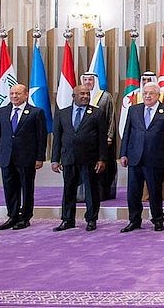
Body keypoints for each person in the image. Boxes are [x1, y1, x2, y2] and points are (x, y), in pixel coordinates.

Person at [50, 85, 109, 231]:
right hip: (68, 158)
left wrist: (102, 159)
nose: (85, 96)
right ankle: (67, 220)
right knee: (69, 190)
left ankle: (91, 219)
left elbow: (102, 139)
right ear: (73, 96)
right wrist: (55, 159)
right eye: (82, 94)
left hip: (90, 158)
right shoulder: (62, 114)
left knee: (91, 191)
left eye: (87, 94)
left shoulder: (98, 113)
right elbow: (57, 138)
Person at [119, 82, 164, 233]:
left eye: (151, 93)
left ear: (158, 95)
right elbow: (127, 133)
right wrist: (123, 153)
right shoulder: (133, 110)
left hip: (155, 158)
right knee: (133, 192)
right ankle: (134, 220)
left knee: (155, 191)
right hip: (135, 157)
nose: (147, 96)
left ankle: (158, 220)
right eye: (145, 93)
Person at [0, 83, 46, 230]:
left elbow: (41, 138)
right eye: (12, 94)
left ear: (26, 94)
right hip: (7, 157)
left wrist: (40, 157)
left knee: (27, 188)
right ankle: (12, 215)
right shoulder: (2, 111)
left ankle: (25, 217)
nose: (14, 96)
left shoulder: (36, 112)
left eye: (17, 94)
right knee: (9, 188)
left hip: (27, 158)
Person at [80, 72, 116, 201]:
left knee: (100, 168)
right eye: (85, 79)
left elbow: (111, 118)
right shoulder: (79, 97)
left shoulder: (105, 97)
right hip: (84, 142)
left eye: (90, 79)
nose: (88, 82)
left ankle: (101, 194)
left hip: (101, 140)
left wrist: (110, 136)